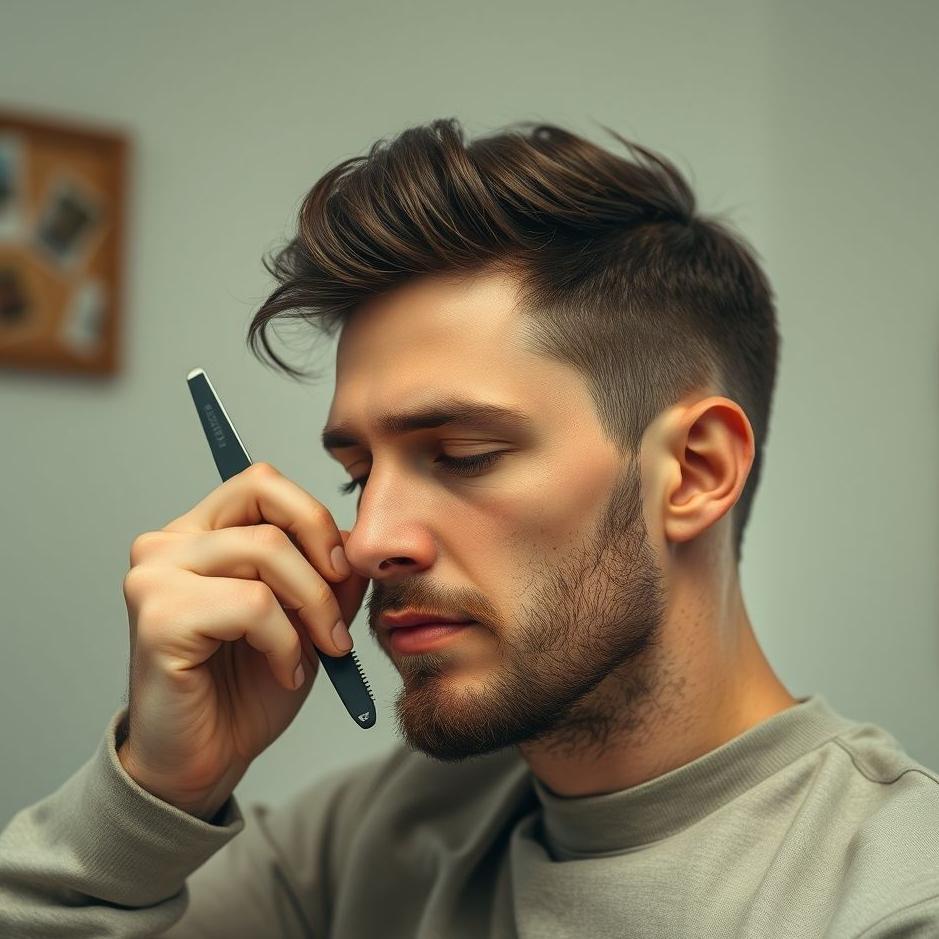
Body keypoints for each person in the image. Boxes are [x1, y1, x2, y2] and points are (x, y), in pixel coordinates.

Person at [1, 118, 936, 938]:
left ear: (693, 473)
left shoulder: (892, 899)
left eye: (461, 454)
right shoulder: (356, 851)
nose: (367, 541)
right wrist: (155, 793)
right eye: (356, 473)